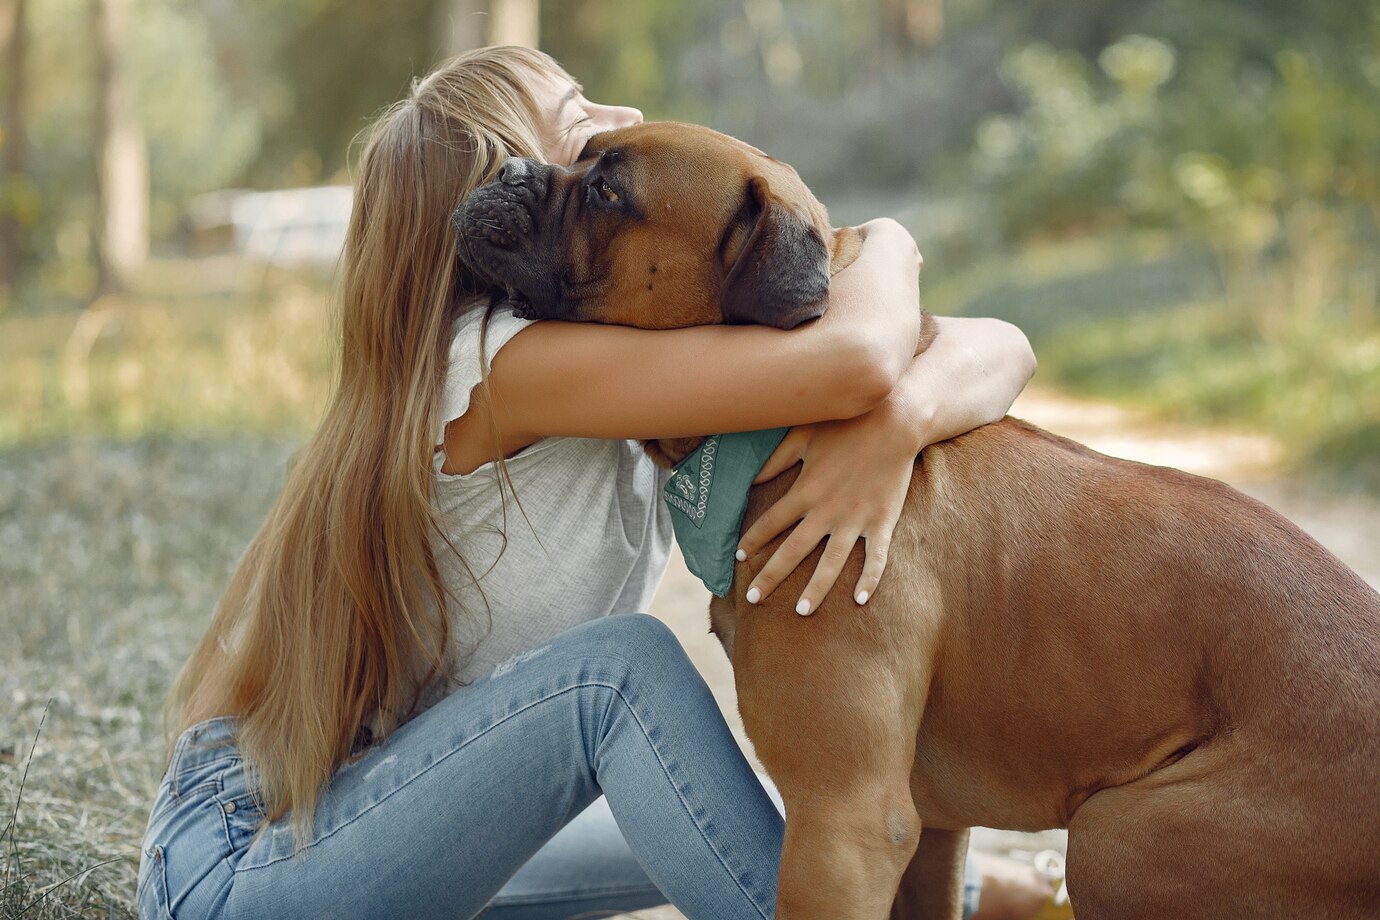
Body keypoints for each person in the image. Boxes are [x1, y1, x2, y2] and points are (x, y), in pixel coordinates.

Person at [136, 45, 1047, 920]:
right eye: (580, 129)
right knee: (619, 678)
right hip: (242, 867)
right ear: (505, 186)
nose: (627, 118)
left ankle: (1008, 894)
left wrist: (903, 416)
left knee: (779, 808)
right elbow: (858, 357)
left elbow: (1000, 346)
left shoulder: (622, 342)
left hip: (384, 817)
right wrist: (887, 242)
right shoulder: (503, 366)